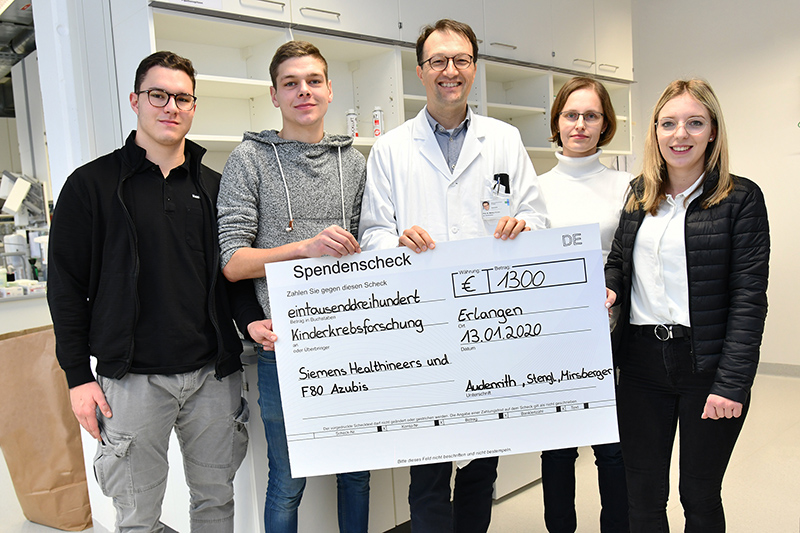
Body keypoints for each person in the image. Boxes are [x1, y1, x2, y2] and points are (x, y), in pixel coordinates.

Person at [47, 51, 265, 532]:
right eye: (158, 95)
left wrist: (250, 319)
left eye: (182, 98)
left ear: (194, 106)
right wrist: (77, 377)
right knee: (138, 515)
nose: (171, 106)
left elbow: (231, 273)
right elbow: (65, 289)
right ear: (135, 100)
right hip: (131, 381)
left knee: (216, 501)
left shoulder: (216, 186)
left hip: (213, 376)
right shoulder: (90, 185)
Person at [359, 19, 548, 533]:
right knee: (427, 469)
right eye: (438, 61)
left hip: (490, 323)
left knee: (482, 467)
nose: (450, 70)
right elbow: (372, 235)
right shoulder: (390, 148)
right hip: (423, 329)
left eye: (461, 60)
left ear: (474, 68)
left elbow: (538, 219)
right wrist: (397, 243)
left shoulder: (504, 139)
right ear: (421, 71)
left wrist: (524, 227)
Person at [216, 41, 370, 533]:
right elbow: (232, 262)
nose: (304, 91)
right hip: (284, 348)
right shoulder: (249, 160)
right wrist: (304, 248)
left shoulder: (355, 163)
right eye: (291, 83)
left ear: (329, 90)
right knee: (287, 481)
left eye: (313, 81)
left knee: (357, 474)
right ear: (274, 95)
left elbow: (371, 249)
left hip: (353, 342)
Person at [604, 79, 770, 532]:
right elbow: (619, 261)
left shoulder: (741, 199)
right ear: (655, 131)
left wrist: (731, 384)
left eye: (695, 123)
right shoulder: (639, 193)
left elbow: (749, 299)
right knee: (642, 497)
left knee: (699, 495)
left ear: (713, 131)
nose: (680, 135)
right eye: (669, 123)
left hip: (706, 365)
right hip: (640, 364)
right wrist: (610, 287)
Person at [537, 77, 631, 533]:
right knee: (557, 449)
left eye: (591, 115)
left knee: (612, 449)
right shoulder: (534, 188)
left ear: (604, 123)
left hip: (611, 332)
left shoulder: (627, 185)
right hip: (553, 337)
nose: (580, 124)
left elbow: (631, 258)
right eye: (571, 114)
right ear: (557, 121)